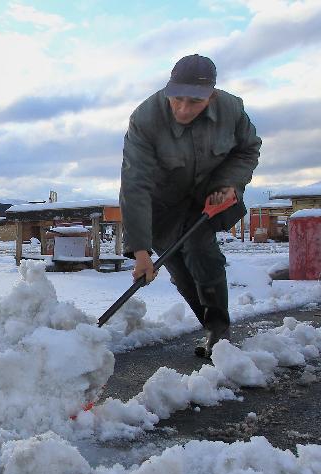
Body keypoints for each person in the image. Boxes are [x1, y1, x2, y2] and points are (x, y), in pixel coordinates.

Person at [119, 54, 262, 357]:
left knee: (201, 252)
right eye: (177, 99)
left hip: (206, 198)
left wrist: (229, 184)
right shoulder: (145, 119)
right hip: (161, 208)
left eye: (194, 102)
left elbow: (248, 150)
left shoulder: (231, 110)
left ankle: (218, 331)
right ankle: (208, 323)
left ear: (211, 96)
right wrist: (141, 252)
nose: (183, 109)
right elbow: (135, 185)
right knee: (182, 273)